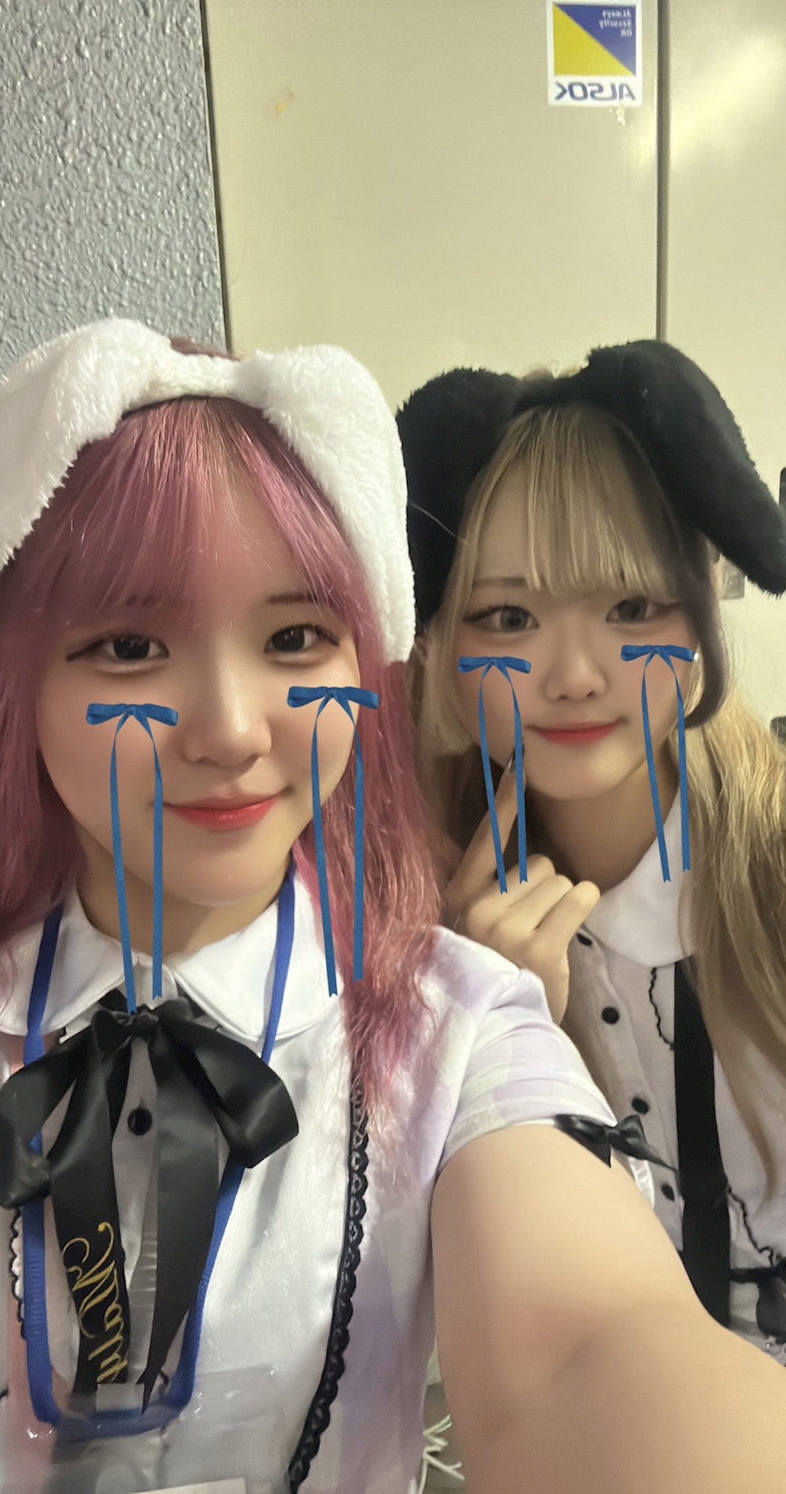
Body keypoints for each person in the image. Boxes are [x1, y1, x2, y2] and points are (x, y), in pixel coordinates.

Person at [0, 324, 786, 1494]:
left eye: (296, 637)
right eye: (129, 645)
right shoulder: (431, 887)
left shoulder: (451, 1007)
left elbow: (578, 1351)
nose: (230, 729)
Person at [398, 341, 786, 1366]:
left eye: (631, 607)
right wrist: (500, 1035)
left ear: (700, 615)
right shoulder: (416, 912)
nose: (573, 674)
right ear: (437, 640)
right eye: (508, 617)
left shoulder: (772, 861)